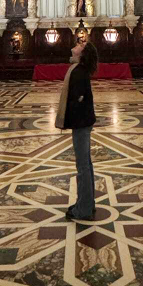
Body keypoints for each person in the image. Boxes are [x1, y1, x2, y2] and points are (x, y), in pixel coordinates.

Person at [55, 40, 98, 221]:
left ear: (82, 53)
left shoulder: (79, 72)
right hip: (82, 122)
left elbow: (78, 99)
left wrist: (69, 119)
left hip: (81, 123)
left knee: (83, 167)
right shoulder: (77, 69)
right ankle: (86, 203)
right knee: (85, 165)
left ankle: (84, 209)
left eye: (81, 44)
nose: (77, 44)